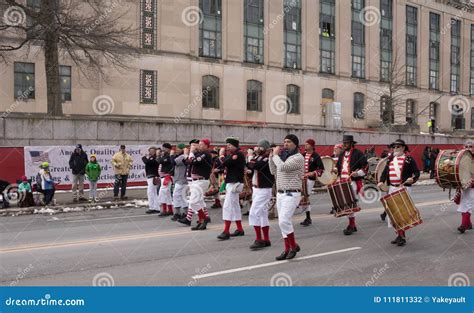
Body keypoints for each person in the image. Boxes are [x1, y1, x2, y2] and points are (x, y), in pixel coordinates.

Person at [269, 134, 305, 261]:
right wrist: (270, 156)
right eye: (284, 142)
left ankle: (293, 246)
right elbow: (273, 171)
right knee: (282, 222)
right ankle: (288, 248)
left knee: (284, 220)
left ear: (295, 144)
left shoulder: (298, 157)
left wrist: (275, 155)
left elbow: (283, 167)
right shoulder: (282, 157)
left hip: (291, 193)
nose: (285, 144)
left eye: (289, 142)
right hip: (280, 193)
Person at [378, 139, 420, 246]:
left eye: (398, 147)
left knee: (402, 212)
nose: (395, 149)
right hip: (392, 188)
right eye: (394, 147)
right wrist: (381, 182)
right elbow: (384, 173)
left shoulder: (409, 159)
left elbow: (416, 172)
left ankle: (402, 236)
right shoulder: (390, 160)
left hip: (404, 188)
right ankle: (399, 234)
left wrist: (413, 179)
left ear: (403, 148)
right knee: (394, 213)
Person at [335, 135, 368, 235]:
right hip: (343, 181)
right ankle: (352, 225)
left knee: (349, 204)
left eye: (346, 143)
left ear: (351, 143)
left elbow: (365, 167)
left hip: (352, 182)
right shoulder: (342, 154)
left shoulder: (358, 154)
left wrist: (357, 173)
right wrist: (335, 170)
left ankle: (352, 225)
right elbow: (339, 167)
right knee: (346, 204)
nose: (344, 144)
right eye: (344, 143)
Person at [177, 139, 212, 229]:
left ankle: (204, 219)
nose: (199, 146)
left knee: (193, 202)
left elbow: (194, 161)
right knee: (199, 202)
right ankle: (201, 222)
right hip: (196, 181)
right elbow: (187, 162)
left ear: (206, 146)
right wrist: (189, 154)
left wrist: (190, 153)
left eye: (201, 144)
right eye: (198, 144)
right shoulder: (199, 154)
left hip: (201, 180)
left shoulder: (206, 154)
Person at [216, 137, 246, 240]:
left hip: (235, 183)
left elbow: (225, 163)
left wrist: (221, 155)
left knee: (227, 206)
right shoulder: (232, 154)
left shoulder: (238, 154)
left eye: (230, 145)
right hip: (231, 182)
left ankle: (226, 231)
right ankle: (240, 229)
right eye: (227, 145)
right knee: (235, 206)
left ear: (235, 145)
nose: (227, 147)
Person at [247, 139, 274, 250]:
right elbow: (251, 167)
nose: (257, 148)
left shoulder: (267, 158)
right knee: (262, 214)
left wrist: (250, 157)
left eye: (259, 146)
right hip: (257, 189)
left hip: (264, 189)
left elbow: (253, 165)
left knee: (254, 213)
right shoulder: (259, 158)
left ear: (264, 148)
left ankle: (259, 239)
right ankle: (266, 239)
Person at [300, 139, 324, 226]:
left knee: (306, 196)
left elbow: (321, 169)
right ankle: (307, 217)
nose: (305, 146)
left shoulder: (316, 156)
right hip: (301, 179)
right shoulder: (302, 155)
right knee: (302, 196)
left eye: (307, 144)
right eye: (305, 144)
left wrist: (312, 173)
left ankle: (308, 217)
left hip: (310, 180)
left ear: (312, 146)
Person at [453, 140, 473, 234]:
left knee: (467, 205)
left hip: (472, 186)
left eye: (470, 146)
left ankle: (463, 225)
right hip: (463, 185)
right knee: (464, 204)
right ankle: (468, 224)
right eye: (466, 147)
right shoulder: (461, 158)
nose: (468, 148)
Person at [171, 143, 188, 221]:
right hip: (180, 179)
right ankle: (186, 213)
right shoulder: (180, 156)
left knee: (176, 195)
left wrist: (171, 155)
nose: (176, 150)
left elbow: (173, 162)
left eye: (178, 148)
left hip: (181, 180)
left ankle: (177, 213)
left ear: (182, 149)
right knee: (182, 196)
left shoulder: (182, 156)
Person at [157, 143, 174, 217]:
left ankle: (164, 210)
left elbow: (161, 161)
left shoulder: (169, 156)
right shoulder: (165, 155)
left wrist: (158, 155)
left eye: (164, 148)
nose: (162, 149)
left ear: (168, 149)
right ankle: (170, 210)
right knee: (167, 194)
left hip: (167, 176)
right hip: (164, 176)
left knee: (162, 193)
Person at [142, 147, 160, 214]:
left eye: (152, 151)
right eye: (150, 151)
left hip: (153, 176)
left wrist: (143, 157)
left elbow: (147, 162)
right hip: (151, 176)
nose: (151, 152)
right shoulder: (151, 157)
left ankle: (152, 207)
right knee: (154, 192)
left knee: (150, 192)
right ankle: (156, 207)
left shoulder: (154, 158)